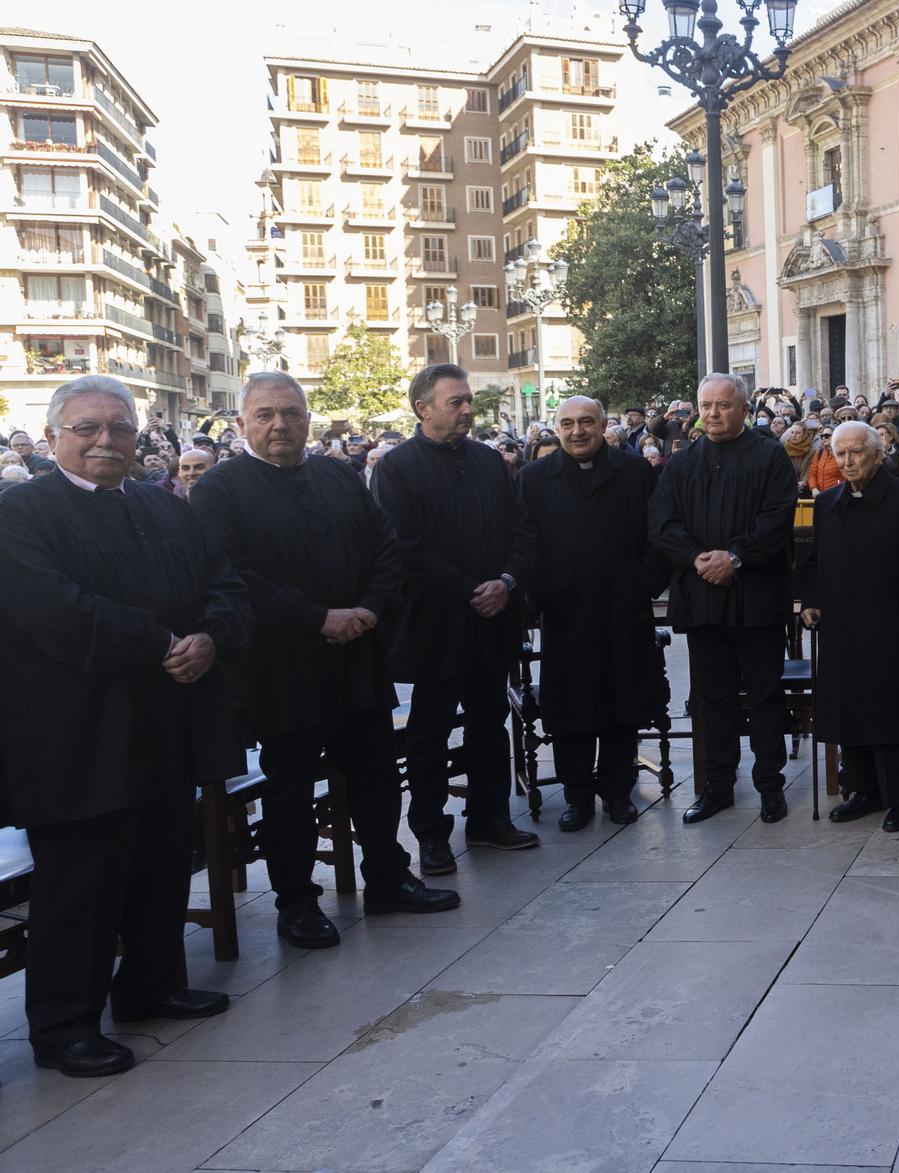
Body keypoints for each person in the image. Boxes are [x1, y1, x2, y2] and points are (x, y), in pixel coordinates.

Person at [0, 375, 250, 1077]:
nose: (105, 440)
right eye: (86, 427)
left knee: (159, 864)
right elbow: (55, 610)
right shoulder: (20, 513)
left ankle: (149, 984)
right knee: (80, 884)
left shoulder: (165, 507)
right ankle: (63, 1026)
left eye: (120, 427)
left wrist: (210, 637)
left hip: (166, 721)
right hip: (75, 734)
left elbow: (224, 584)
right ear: (52, 438)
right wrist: (162, 640)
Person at [191, 373, 459, 949]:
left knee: (379, 777)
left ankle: (387, 877)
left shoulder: (338, 474)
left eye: (290, 413)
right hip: (280, 666)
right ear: (242, 425)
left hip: (357, 656)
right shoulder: (219, 489)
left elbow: (384, 546)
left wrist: (366, 608)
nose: (279, 424)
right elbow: (234, 574)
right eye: (264, 415)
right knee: (289, 791)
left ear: (309, 419)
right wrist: (319, 618)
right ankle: (296, 902)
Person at [373, 363, 541, 875]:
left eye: (469, 401)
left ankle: (488, 818)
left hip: (493, 616)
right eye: (456, 402)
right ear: (423, 408)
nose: (468, 410)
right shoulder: (397, 468)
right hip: (435, 620)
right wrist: (471, 588)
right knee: (431, 729)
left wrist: (506, 582)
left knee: (491, 722)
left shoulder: (491, 462)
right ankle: (430, 832)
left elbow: (522, 531)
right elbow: (402, 547)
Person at [650, 373, 800, 825]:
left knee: (765, 696)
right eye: (707, 405)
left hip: (755, 596)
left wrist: (734, 557)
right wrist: (699, 559)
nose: (713, 413)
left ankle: (770, 786)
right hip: (703, 598)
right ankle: (717, 786)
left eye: (723, 405)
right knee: (712, 698)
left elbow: (776, 521)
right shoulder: (682, 462)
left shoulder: (770, 456)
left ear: (743, 409)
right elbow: (661, 523)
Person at [518, 396, 669, 831]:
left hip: (624, 611)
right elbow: (524, 544)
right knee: (571, 711)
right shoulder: (533, 478)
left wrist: (641, 586)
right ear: (556, 427)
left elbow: (656, 537)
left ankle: (618, 791)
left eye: (586, 422)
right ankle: (578, 796)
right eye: (567, 424)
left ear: (604, 425)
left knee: (623, 703)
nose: (577, 431)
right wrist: (542, 593)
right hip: (565, 615)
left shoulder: (635, 472)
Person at [801, 422, 899, 831]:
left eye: (856, 452)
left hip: (893, 628)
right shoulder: (827, 503)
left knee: (891, 713)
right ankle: (862, 790)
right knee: (850, 710)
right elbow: (814, 564)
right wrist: (810, 602)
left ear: (878, 455)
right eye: (840, 453)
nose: (847, 461)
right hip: (843, 628)